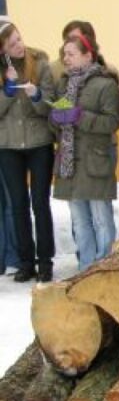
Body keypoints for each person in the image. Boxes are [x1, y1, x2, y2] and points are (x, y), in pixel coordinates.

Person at [51, 33, 119, 271]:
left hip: (95, 162)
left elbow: (112, 122)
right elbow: (57, 123)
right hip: (70, 163)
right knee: (80, 221)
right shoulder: (63, 84)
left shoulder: (106, 84)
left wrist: (80, 116)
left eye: (71, 54)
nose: (66, 59)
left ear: (87, 55)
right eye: (64, 55)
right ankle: (85, 267)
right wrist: (56, 118)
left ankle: (103, 268)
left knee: (101, 219)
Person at [0, 22, 55, 282]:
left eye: (19, 40)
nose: (19, 46)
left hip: (39, 144)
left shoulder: (40, 63)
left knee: (40, 203)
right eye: (12, 44)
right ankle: (25, 262)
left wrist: (37, 96)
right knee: (18, 205)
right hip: (8, 146)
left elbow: (51, 105)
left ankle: (45, 261)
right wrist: (7, 90)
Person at [0, 15, 22, 275]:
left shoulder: (22, 65)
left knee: (10, 200)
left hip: (8, 142)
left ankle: (14, 254)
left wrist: (10, 87)